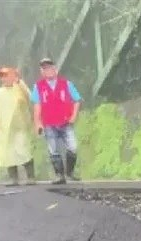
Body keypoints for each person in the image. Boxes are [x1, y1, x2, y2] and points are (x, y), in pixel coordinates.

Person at [31, 57, 82, 185]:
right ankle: (59, 175)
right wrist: (37, 123)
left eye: (50, 68)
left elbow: (77, 100)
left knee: (73, 147)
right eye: (45, 69)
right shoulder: (38, 87)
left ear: (56, 70)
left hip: (66, 122)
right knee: (53, 150)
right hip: (49, 123)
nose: (48, 71)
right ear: (42, 72)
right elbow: (37, 106)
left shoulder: (66, 84)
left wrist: (74, 116)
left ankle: (69, 172)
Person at [0, 67, 36, 186]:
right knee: (7, 153)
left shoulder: (19, 89)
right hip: (4, 130)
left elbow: (30, 97)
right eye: (2, 76)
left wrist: (19, 81)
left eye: (7, 75)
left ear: (13, 76)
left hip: (20, 128)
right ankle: (14, 178)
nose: (4, 78)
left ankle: (31, 177)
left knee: (23, 150)